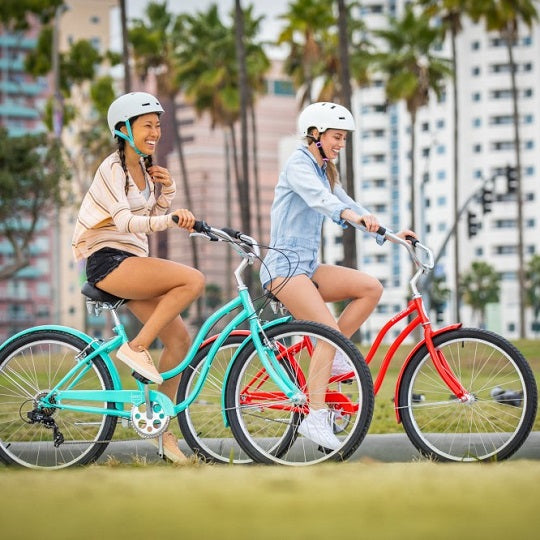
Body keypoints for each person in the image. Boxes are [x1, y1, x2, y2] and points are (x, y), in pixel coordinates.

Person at [260, 101, 416, 451]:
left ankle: (333, 354)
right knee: (327, 333)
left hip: (308, 267)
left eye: (343, 138)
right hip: (283, 268)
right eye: (336, 137)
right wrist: (348, 214)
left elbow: (347, 202)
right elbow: (321, 201)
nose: (340, 144)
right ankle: (315, 417)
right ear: (315, 134)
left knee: (369, 288)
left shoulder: (325, 170)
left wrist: (390, 232)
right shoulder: (299, 164)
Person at [72, 92, 205, 463]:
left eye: (158, 125)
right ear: (124, 129)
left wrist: (169, 193)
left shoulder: (145, 172)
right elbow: (126, 222)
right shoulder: (112, 168)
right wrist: (171, 217)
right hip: (107, 260)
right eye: (147, 125)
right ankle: (135, 347)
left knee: (179, 341)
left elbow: (148, 214)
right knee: (192, 280)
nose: (155, 132)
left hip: (130, 259)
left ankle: (161, 430)